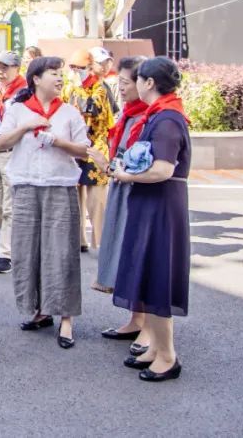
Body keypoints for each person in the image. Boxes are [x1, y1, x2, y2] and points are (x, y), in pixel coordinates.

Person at [0, 56, 90, 350]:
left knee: (61, 252)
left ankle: (66, 318)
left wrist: (58, 142)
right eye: (53, 73)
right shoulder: (18, 110)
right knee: (28, 251)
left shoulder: (69, 113)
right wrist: (26, 126)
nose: (60, 78)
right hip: (26, 186)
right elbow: (0, 142)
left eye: (61, 74)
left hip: (59, 186)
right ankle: (40, 310)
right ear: (36, 79)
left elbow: (84, 151)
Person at [110, 57, 191, 382]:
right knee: (148, 275)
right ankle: (157, 348)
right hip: (152, 204)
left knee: (158, 276)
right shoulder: (161, 114)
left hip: (161, 206)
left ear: (149, 83)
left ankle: (168, 356)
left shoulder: (167, 119)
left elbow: (163, 169)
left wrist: (127, 176)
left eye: (138, 79)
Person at [86, 57, 148, 338]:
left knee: (138, 255)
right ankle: (137, 319)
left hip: (137, 194)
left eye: (125, 82)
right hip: (123, 190)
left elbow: (141, 164)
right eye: (119, 82)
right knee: (128, 253)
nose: (120, 88)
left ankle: (147, 325)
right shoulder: (130, 114)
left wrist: (107, 166)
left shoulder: (150, 117)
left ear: (145, 83)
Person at [63, 48, 114, 251]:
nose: (77, 71)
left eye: (80, 67)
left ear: (90, 67)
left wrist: (78, 89)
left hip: (95, 146)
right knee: (75, 197)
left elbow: (93, 109)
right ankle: (79, 239)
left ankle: (100, 242)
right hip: (74, 145)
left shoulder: (100, 88)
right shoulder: (68, 87)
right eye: (73, 67)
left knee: (96, 200)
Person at [0, 51, 27, 274]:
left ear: (17, 69)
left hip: (11, 153)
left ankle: (6, 254)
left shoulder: (24, 93)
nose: (0, 71)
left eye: (5, 67)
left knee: (10, 206)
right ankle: (17, 238)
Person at [89, 46, 119, 114]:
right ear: (90, 63)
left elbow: (114, 111)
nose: (105, 66)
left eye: (107, 62)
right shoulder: (86, 86)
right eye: (100, 63)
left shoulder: (105, 85)